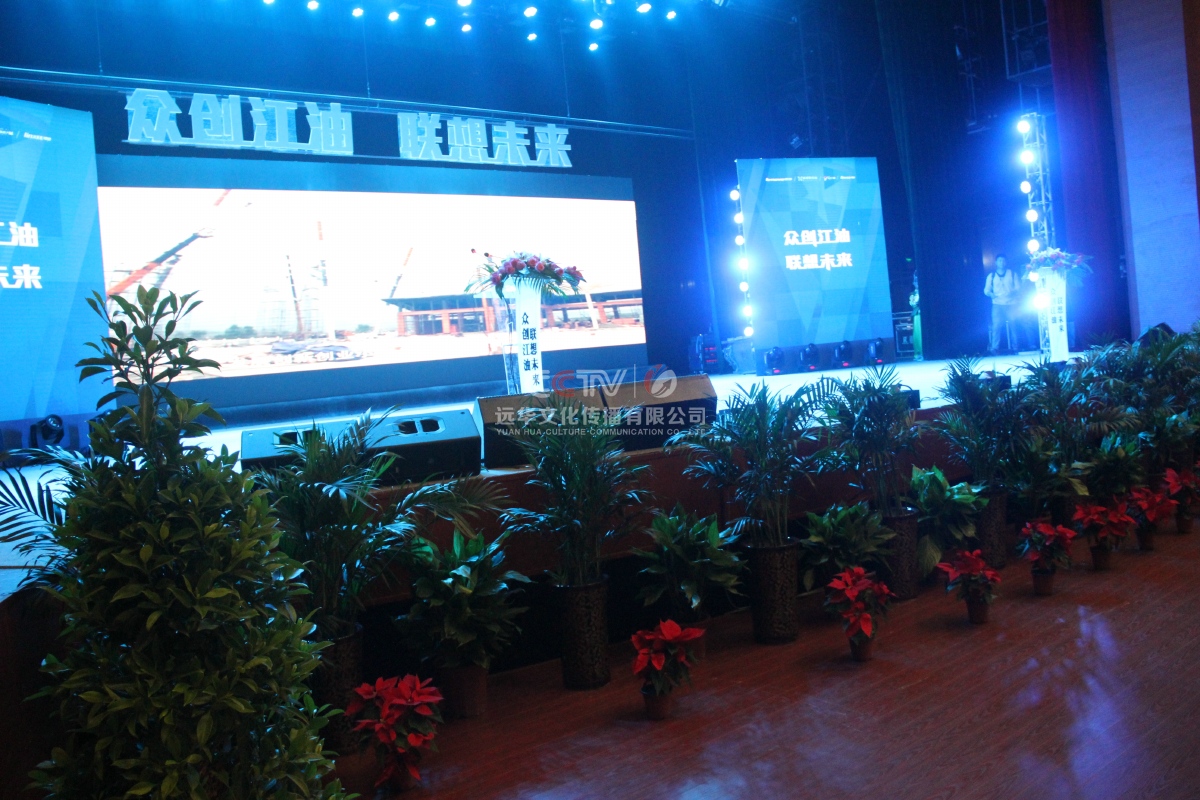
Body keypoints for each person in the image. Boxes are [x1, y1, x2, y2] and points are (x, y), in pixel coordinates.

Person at [984, 254, 1021, 354]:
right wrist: (991, 294)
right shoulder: (991, 276)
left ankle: (1015, 347)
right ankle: (994, 348)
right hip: (997, 304)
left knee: (1013, 325)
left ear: (1006, 262)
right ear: (996, 262)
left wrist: (1013, 292)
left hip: (1011, 303)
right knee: (996, 326)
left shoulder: (1012, 274)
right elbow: (986, 290)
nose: (1001, 263)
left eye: (1003, 261)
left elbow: (1018, 288)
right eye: (999, 261)